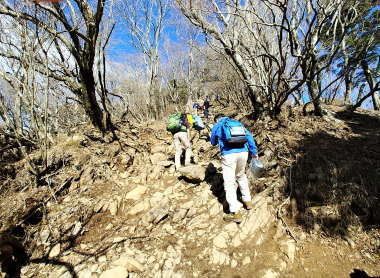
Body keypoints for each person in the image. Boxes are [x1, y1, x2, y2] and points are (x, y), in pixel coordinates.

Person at [210, 113, 258, 223]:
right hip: (243, 152)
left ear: (217, 119)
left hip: (228, 154)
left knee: (229, 182)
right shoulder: (237, 123)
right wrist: (254, 152)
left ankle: (235, 212)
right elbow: (249, 136)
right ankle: (248, 201)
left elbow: (213, 142)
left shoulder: (218, 125)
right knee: (241, 176)